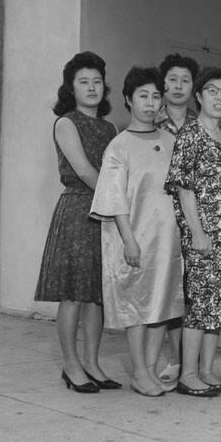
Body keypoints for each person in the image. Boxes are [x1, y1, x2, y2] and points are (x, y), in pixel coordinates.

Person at [90, 67, 184, 397]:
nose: (150, 102)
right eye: (143, 95)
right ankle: (140, 371)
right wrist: (129, 239)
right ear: (129, 100)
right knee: (136, 306)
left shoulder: (172, 142)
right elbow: (113, 198)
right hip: (134, 240)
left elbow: (185, 191)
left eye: (156, 95)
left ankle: (151, 368)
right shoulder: (119, 146)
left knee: (163, 306)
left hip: (168, 241)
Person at [35, 51, 119, 393]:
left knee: (96, 295)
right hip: (77, 211)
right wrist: (117, 199)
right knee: (72, 294)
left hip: (105, 214)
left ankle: (93, 364)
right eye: (83, 82)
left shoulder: (109, 126)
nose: (91, 87)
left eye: (97, 81)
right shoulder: (66, 122)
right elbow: (84, 170)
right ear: (71, 88)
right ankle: (71, 367)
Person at [165, 66, 221, 397]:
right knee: (199, 307)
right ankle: (189, 374)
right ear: (199, 96)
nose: (220, 97)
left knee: (219, 305)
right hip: (204, 235)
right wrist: (197, 232)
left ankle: (208, 371)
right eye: (212, 90)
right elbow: (184, 189)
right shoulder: (190, 134)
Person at [154, 52, 200, 384]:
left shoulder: (203, 124)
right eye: (173, 79)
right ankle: (172, 358)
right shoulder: (149, 122)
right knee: (169, 287)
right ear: (163, 83)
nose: (179, 86)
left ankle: (189, 362)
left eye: (185, 80)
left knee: (191, 288)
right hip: (160, 215)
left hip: (194, 216)